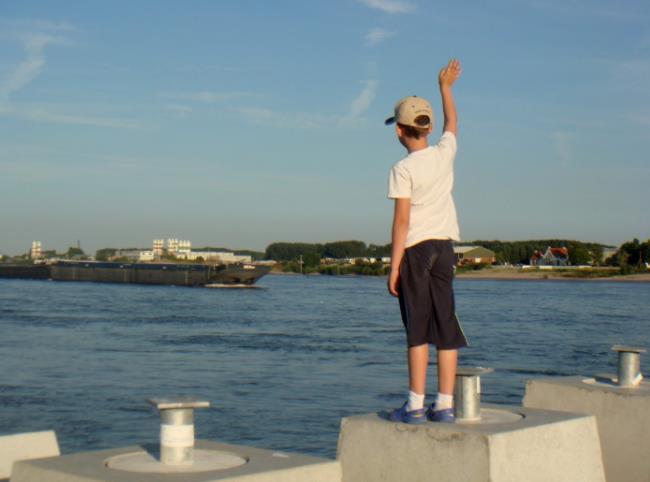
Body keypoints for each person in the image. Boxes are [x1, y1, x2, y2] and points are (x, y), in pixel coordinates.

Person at [385, 59, 468, 424]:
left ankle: (416, 405)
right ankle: (445, 405)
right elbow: (453, 124)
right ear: (428, 128)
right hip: (445, 248)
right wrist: (445, 89)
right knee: (445, 326)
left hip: (417, 250)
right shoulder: (443, 155)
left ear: (399, 132)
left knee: (417, 328)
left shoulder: (402, 169)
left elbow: (402, 221)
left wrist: (394, 266)